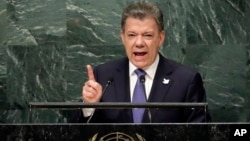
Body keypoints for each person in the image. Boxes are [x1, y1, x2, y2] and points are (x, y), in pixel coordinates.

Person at [69, 1, 211, 123]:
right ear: (123, 38)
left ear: (160, 38)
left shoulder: (186, 80)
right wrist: (89, 107)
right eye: (132, 35)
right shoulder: (103, 76)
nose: (139, 43)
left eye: (147, 35)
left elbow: (201, 132)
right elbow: (73, 132)